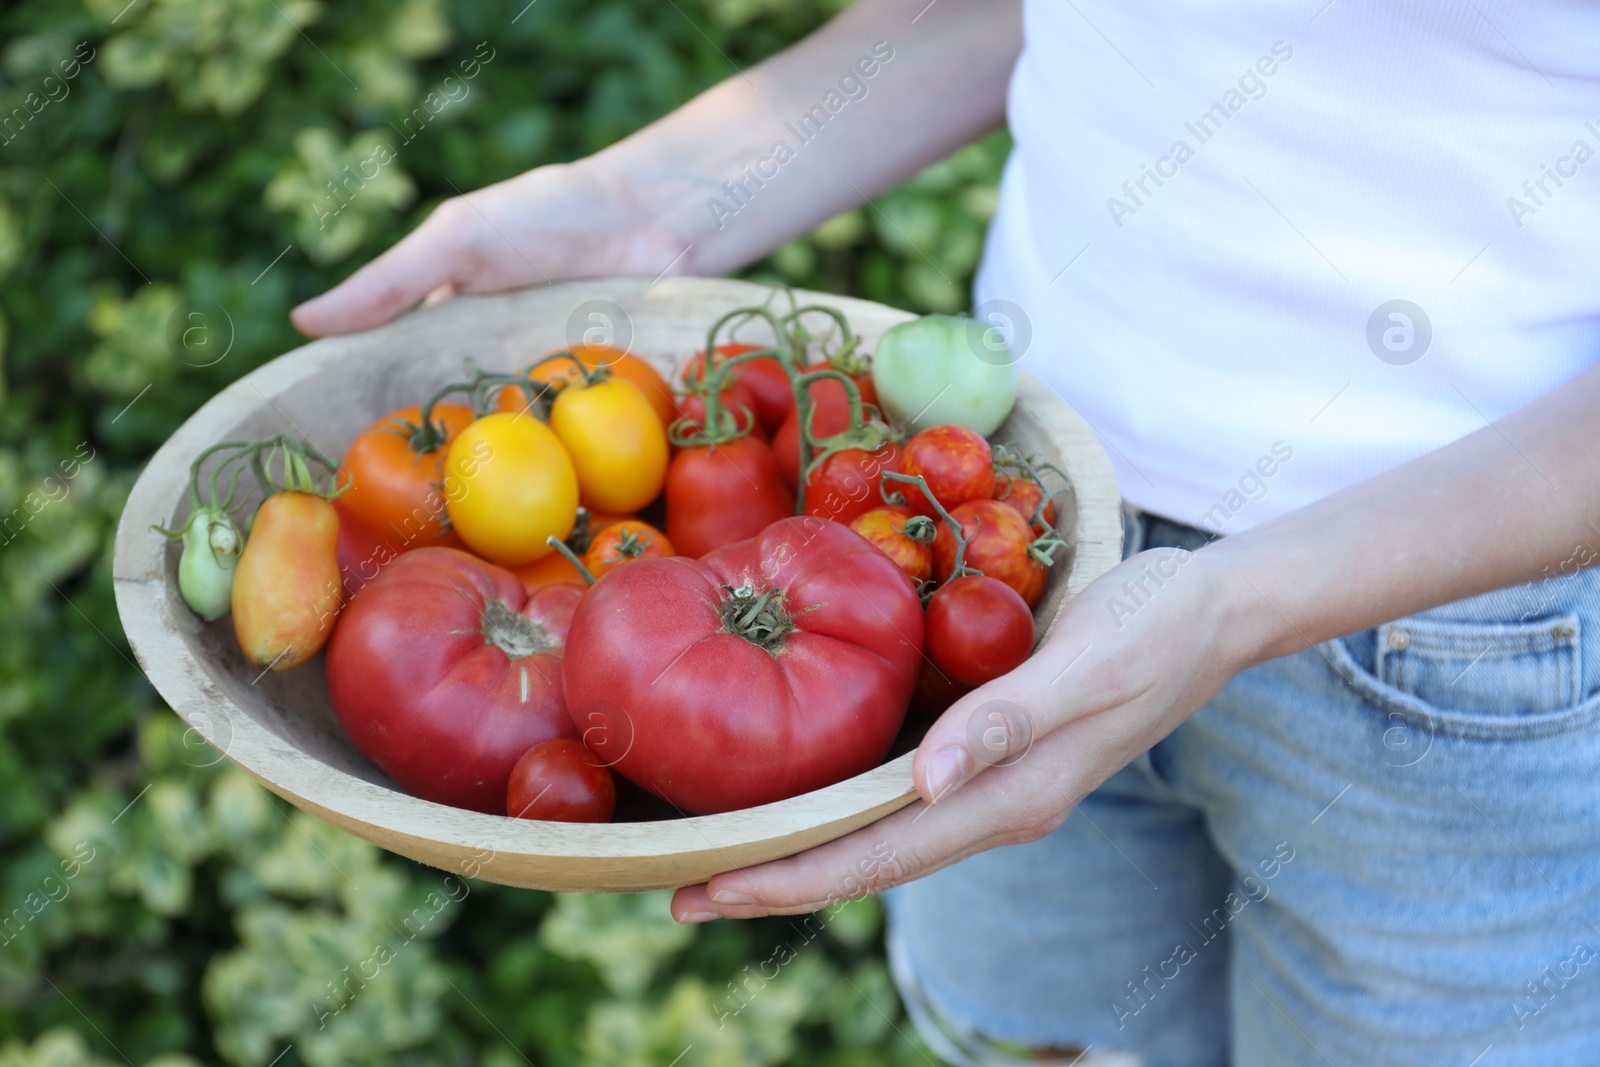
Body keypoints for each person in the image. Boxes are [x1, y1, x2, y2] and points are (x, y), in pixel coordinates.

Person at [292, 1, 1600, 1063]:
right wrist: (647, 210)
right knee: (1055, 1042)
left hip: (1456, 635)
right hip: (1005, 549)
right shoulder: (887, 547)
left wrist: (1229, 604)